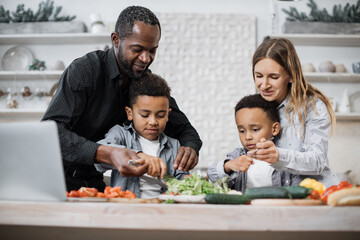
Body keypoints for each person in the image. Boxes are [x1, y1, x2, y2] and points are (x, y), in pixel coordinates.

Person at [42, 6, 202, 192]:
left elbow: (185, 129)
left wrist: (190, 148)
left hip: (93, 182)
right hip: (55, 178)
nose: (145, 58)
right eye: (137, 49)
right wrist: (108, 154)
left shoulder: (145, 82)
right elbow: (51, 131)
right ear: (116, 40)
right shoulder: (85, 70)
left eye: (152, 51)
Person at [248, 37, 338, 188]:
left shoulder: (313, 107)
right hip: (280, 197)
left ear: (290, 75)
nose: (264, 85)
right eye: (258, 76)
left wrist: (279, 156)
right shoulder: (255, 107)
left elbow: (318, 161)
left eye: (274, 77)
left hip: (315, 194)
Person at [96, 72, 188, 198]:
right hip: (127, 209)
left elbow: (182, 181)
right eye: (145, 115)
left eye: (161, 115)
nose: (153, 122)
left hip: (164, 209)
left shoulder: (174, 145)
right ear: (130, 113)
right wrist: (136, 156)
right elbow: (100, 151)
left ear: (168, 115)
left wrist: (188, 182)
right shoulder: (120, 134)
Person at [207, 94, 294, 192]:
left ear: (274, 129)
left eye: (255, 129)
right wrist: (228, 165)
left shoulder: (284, 156)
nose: (247, 137)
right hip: (245, 206)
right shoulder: (238, 156)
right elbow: (211, 175)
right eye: (242, 131)